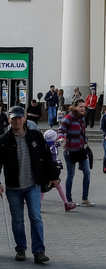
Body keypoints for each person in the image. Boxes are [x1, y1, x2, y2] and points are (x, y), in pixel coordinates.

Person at [0, 106, 59, 264]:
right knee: (18, 220)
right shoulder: (4, 140)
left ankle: (39, 252)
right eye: (13, 119)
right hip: (13, 188)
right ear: (9, 120)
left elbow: (47, 157)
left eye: (19, 118)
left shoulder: (35, 136)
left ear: (24, 118)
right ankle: (20, 249)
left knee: (36, 218)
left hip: (33, 185)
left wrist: (54, 176)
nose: (16, 121)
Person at [59, 99, 94, 206]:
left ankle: (85, 199)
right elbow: (61, 130)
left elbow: (82, 133)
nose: (83, 108)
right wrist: (61, 138)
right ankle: (69, 200)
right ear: (75, 107)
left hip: (81, 150)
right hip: (70, 151)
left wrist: (85, 142)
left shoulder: (82, 118)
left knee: (87, 172)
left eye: (84, 106)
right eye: (80, 106)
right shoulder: (68, 118)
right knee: (71, 175)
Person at [41, 129, 76, 212]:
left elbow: (59, 142)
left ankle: (66, 203)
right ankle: (66, 204)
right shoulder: (53, 146)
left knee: (44, 188)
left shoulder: (45, 145)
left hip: (46, 169)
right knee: (52, 187)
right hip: (52, 169)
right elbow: (60, 142)